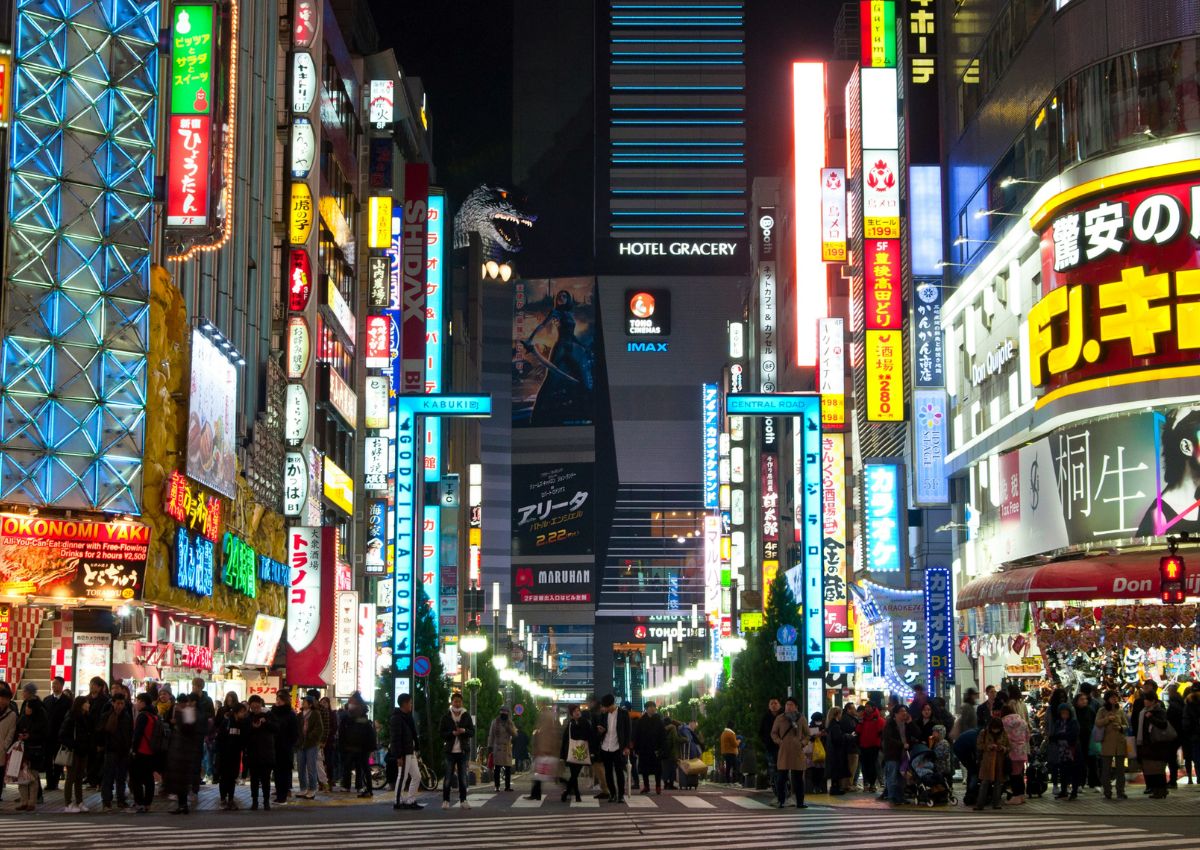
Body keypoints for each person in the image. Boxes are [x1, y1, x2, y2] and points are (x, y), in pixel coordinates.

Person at [13, 685, 47, 811]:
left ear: (29, 693)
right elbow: (20, 723)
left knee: (31, 775)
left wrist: (29, 734)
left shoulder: (38, 708)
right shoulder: (26, 704)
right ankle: (25, 801)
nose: (23, 693)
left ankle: (31, 801)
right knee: (23, 774)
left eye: (25, 691)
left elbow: (42, 728)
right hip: (25, 745)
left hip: (34, 746)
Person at [770, 697, 809, 809]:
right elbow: (773, 733)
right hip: (784, 751)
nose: (788, 706)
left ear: (796, 707)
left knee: (798, 779)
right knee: (781, 777)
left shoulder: (801, 718)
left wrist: (802, 743)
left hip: (797, 751)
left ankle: (800, 802)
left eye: (791, 704)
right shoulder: (780, 718)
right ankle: (781, 800)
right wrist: (779, 742)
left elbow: (807, 734)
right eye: (787, 704)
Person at [98, 688, 132, 810]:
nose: (120, 706)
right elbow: (100, 732)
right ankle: (106, 801)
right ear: (113, 703)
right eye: (117, 703)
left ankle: (121, 799)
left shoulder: (127, 717)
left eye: (122, 703)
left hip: (123, 751)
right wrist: (102, 745)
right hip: (111, 750)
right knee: (108, 777)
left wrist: (128, 747)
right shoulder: (107, 716)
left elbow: (129, 733)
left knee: (121, 778)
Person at [165, 694, 200, 814]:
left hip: (184, 752)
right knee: (180, 780)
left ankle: (183, 805)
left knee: (182, 780)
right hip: (180, 751)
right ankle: (182, 805)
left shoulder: (188, 712)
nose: (179, 705)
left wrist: (179, 716)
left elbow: (187, 730)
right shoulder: (186, 712)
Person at [440, 692, 474, 809]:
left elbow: (472, 732)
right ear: (452, 702)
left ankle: (463, 800)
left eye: (459, 701)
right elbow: (441, 733)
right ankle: (445, 800)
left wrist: (464, 730)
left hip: (463, 751)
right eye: (455, 701)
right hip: (450, 751)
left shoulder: (466, 715)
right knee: (448, 776)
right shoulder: (446, 716)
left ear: (461, 703)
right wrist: (452, 733)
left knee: (463, 777)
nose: (457, 703)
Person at [595, 694, 631, 804]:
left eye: (607, 707)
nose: (605, 709)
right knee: (608, 773)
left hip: (618, 747)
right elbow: (600, 728)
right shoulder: (604, 715)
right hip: (605, 746)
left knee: (619, 772)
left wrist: (627, 747)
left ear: (612, 705)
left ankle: (620, 795)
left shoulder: (623, 714)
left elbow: (628, 731)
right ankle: (612, 794)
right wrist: (600, 731)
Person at [59, 695, 92, 813]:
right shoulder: (72, 717)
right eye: (86, 703)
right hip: (74, 751)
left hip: (83, 751)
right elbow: (62, 735)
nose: (88, 705)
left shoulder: (86, 717)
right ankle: (68, 803)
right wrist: (74, 745)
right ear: (81, 704)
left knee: (79, 777)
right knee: (71, 777)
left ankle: (79, 801)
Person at [1137, 692, 1173, 798]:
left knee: (1158, 769)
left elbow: (1163, 724)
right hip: (1147, 744)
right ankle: (1156, 790)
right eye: (1144, 699)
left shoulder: (1159, 711)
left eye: (1147, 699)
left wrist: (1151, 717)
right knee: (1151, 769)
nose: (1145, 701)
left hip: (1158, 744)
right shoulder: (1143, 712)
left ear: (1153, 701)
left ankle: (1161, 790)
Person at [129, 693, 161, 813]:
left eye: (137, 701)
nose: (136, 704)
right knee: (148, 779)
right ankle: (148, 803)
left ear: (143, 702)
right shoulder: (154, 716)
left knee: (136, 778)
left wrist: (133, 750)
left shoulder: (143, 716)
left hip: (141, 751)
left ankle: (139, 803)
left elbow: (137, 735)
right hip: (152, 752)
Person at [1095, 689, 1129, 800]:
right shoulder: (1102, 710)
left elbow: (1126, 725)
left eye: (1115, 697)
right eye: (1112, 697)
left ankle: (1120, 791)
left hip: (1120, 743)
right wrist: (1107, 719)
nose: (1114, 699)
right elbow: (1097, 723)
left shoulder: (1120, 710)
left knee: (1120, 770)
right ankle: (1107, 791)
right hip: (1107, 742)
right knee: (1106, 769)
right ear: (1107, 699)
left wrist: (1121, 728)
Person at [339, 698, 376, 798]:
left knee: (361, 768)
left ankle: (363, 787)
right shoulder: (348, 718)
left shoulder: (361, 719)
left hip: (360, 748)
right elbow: (343, 733)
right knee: (350, 767)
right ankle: (352, 786)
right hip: (352, 747)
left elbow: (369, 734)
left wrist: (371, 748)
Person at [213, 698, 245, 810]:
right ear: (236, 712)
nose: (244, 714)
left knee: (232, 778)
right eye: (242, 712)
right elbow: (219, 738)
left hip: (235, 755)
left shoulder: (241, 724)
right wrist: (219, 753)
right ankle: (223, 799)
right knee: (224, 778)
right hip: (224, 755)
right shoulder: (227, 722)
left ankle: (231, 799)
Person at [391, 694, 422, 810]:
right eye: (410, 702)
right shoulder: (397, 718)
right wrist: (398, 756)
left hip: (410, 750)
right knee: (402, 776)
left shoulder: (407, 716)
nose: (411, 704)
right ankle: (397, 801)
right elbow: (396, 738)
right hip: (403, 752)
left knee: (417, 776)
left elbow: (413, 733)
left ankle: (411, 800)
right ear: (404, 703)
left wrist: (416, 747)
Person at [244, 694, 275, 810]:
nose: (255, 710)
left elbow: (276, 728)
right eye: (253, 708)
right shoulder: (248, 718)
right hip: (253, 753)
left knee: (266, 779)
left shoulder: (268, 715)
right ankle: (255, 801)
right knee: (254, 779)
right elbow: (245, 734)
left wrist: (265, 722)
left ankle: (266, 801)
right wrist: (252, 727)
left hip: (266, 752)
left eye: (257, 707)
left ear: (261, 705)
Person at [974, 715, 1010, 811]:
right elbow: (979, 745)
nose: (995, 731)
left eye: (997, 729)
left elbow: (1009, 747)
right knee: (984, 782)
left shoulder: (1004, 733)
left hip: (999, 761)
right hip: (987, 761)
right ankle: (979, 804)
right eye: (994, 728)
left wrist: (1003, 748)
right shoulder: (984, 733)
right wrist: (988, 746)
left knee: (998, 783)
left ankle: (996, 803)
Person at [527, 703, 560, 801]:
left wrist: (543, 750)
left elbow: (549, 741)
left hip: (545, 753)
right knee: (538, 776)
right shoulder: (548, 726)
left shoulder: (546, 728)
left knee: (550, 776)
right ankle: (535, 795)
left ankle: (569, 788)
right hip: (545, 753)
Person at [270, 690, 298, 803]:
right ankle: (279, 793)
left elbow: (294, 732)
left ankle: (283, 795)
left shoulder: (290, 714)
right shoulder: (273, 713)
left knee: (284, 772)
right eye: (277, 700)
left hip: (285, 747)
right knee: (276, 771)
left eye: (280, 700)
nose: (277, 702)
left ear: (285, 701)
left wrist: (290, 743)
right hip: (274, 746)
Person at [561, 704, 593, 802]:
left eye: (578, 710)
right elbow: (565, 739)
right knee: (573, 774)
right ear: (571, 714)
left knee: (574, 774)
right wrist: (562, 755)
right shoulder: (570, 724)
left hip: (582, 751)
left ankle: (567, 793)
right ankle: (577, 795)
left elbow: (590, 737)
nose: (577, 712)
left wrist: (592, 751)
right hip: (572, 752)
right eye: (575, 711)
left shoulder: (585, 723)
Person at [1049, 702, 1081, 800]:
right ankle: (1063, 791)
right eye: (1062, 713)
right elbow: (1054, 735)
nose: (1064, 715)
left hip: (1071, 750)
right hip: (1062, 750)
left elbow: (1072, 735)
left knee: (1073, 771)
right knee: (1063, 771)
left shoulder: (1073, 722)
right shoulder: (1058, 722)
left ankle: (1074, 791)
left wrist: (1060, 736)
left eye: (1066, 713)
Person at [881, 705, 911, 806]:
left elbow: (916, 732)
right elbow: (888, 739)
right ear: (896, 714)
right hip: (892, 754)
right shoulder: (890, 724)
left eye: (905, 711)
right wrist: (902, 744)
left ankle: (900, 797)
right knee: (892, 776)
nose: (904, 713)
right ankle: (893, 797)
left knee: (901, 778)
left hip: (903, 754)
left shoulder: (906, 724)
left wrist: (911, 723)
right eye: (902, 711)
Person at [43, 677, 69, 793]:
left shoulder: (67, 701)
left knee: (58, 760)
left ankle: (55, 782)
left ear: (62, 686)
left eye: (57, 684)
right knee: (48, 760)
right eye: (53, 684)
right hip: (48, 735)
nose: (54, 686)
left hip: (60, 735)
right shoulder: (47, 700)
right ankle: (49, 782)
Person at [1000, 703, 1029, 804]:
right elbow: (1027, 736)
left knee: (1014, 774)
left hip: (1012, 750)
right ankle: (1021, 795)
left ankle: (1016, 796)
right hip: (1022, 750)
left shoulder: (1004, 721)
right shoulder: (1022, 721)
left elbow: (1003, 737)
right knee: (1020, 773)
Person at [634, 701, 665, 794]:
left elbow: (663, 735)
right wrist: (637, 748)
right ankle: (646, 786)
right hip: (644, 748)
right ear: (646, 709)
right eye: (650, 707)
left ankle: (658, 786)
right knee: (644, 769)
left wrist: (662, 748)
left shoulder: (659, 720)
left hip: (656, 748)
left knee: (657, 769)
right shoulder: (641, 720)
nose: (652, 708)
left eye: (653, 707)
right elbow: (637, 735)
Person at [297, 693, 323, 799]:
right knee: (300, 767)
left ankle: (312, 789)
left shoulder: (316, 714)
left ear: (311, 704)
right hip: (300, 744)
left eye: (305, 701)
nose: (303, 703)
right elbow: (296, 729)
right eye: (303, 701)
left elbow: (319, 729)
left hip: (311, 744)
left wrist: (310, 736)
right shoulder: (299, 715)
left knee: (311, 767)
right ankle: (303, 789)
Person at [856, 701, 885, 792]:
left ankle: (872, 784)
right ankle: (866, 783)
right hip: (863, 745)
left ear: (873, 707)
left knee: (872, 765)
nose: (867, 708)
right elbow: (858, 731)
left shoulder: (878, 719)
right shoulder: (862, 719)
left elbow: (881, 730)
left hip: (874, 745)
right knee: (865, 765)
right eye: (866, 707)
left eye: (869, 707)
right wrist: (860, 722)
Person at [488, 706, 517, 792]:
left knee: (508, 768)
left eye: (505, 712)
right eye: (502, 712)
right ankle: (497, 786)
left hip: (507, 747)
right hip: (498, 747)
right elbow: (491, 735)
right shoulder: (495, 722)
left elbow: (515, 734)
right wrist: (490, 746)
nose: (503, 713)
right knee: (497, 768)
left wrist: (509, 728)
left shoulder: (510, 722)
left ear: (508, 713)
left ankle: (507, 786)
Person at [824, 706, 849, 795]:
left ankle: (835, 787)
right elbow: (838, 738)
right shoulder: (835, 725)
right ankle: (835, 788)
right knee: (836, 771)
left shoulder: (830, 724)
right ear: (837, 714)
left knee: (834, 770)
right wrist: (847, 736)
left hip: (832, 752)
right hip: (836, 752)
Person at [759, 697, 782, 790]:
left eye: (775, 703)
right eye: (771, 703)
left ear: (780, 705)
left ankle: (782, 786)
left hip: (782, 746)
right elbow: (761, 732)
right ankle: (775, 785)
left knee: (782, 767)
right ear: (769, 706)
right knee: (773, 767)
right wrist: (766, 742)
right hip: (770, 747)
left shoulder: (783, 716)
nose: (774, 705)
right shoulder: (765, 717)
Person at [839, 703, 860, 791]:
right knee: (851, 766)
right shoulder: (847, 720)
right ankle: (848, 785)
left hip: (850, 747)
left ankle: (847, 784)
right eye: (853, 708)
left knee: (850, 766)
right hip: (851, 747)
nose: (855, 710)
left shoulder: (849, 718)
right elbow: (853, 731)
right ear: (848, 710)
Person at [317, 694, 335, 792]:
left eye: (325, 702)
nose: (323, 704)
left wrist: (326, 737)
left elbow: (333, 728)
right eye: (322, 702)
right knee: (319, 763)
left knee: (328, 762)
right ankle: (321, 783)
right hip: (318, 742)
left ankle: (329, 781)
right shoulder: (318, 713)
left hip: (329, 742)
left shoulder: (332, 714)